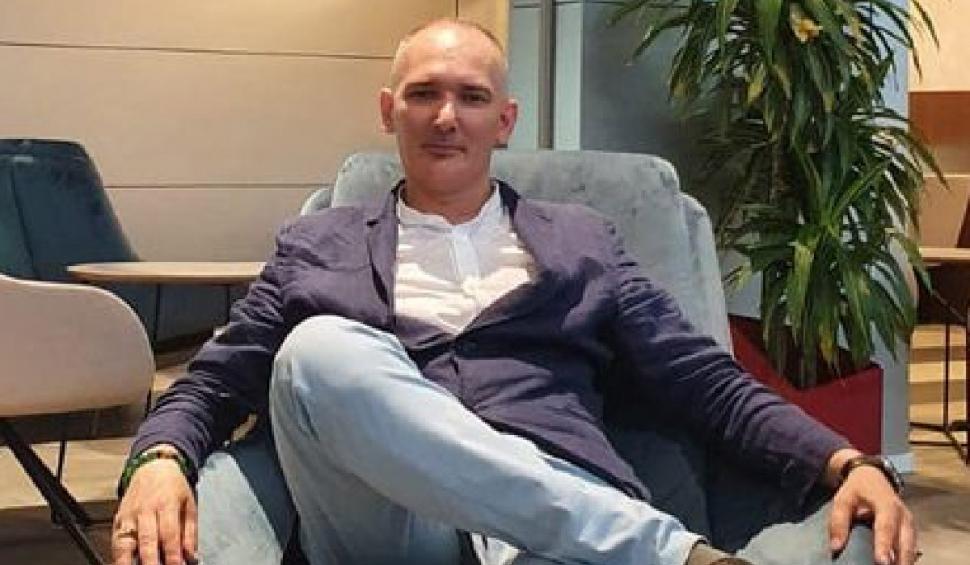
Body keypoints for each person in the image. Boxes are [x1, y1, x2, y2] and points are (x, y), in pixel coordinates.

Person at [112, 18, 916, 565]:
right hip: (395, 526)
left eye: (471, 97)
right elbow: (215, 380)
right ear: (390, 111)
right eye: (424, 94)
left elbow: (702, 377)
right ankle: (666, 553)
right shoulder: (317, 243)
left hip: (554, 522)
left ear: (505, 119)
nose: (446, 117)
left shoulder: (583, 240)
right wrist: (157, 456)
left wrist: (847, 458)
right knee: (318, 352)